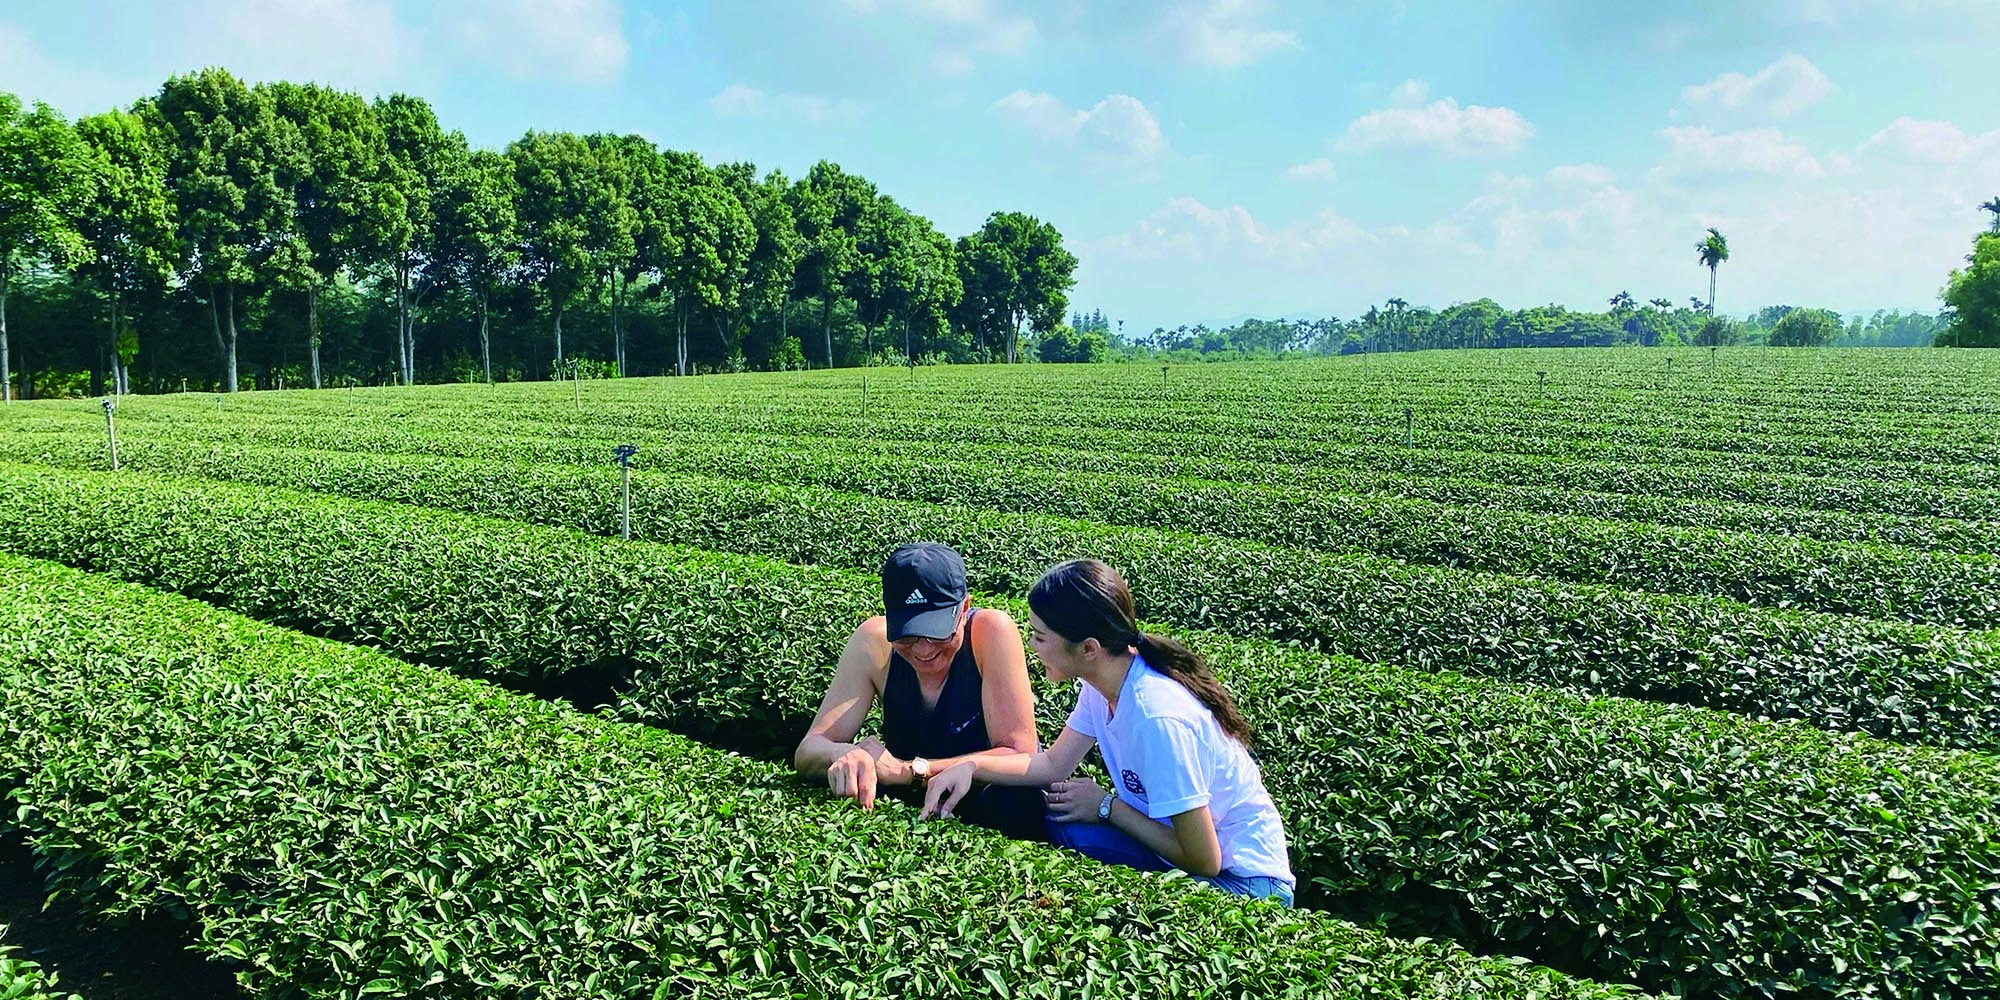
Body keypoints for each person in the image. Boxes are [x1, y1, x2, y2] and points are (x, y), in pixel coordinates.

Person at [921, 558, 1294, 904]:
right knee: (1061, 825)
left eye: (1040, 637)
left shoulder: (1157, 717)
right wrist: (969, 767)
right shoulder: (1102, 685)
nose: (1032, 648)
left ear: (1088, 648)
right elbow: (1051, 765)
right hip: (1188, 855)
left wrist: (1106, 807)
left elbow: (1204, 860)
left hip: (1246, 883)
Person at [793, 541, 1046, 841]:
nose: (923, 649)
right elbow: (809, 750)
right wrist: (845, 753)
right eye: (908, 635)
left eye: (938, 633)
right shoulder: (872, 642)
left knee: (1014, 804)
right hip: (914, 806)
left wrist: (909, 771)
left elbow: (1019, 753)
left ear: (964, 609)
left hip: (986, 800)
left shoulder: (991, 632)